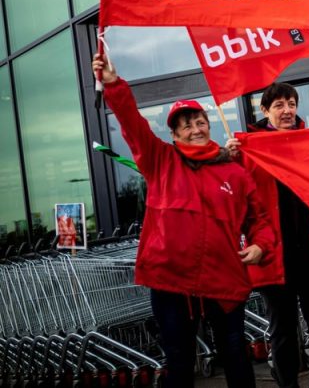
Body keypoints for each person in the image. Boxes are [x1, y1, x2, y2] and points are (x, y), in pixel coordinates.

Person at [92, 52, 274, 388]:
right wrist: (114, 85)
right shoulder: (160, 160)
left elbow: (258, 219)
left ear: (209, 124)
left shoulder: (235, 172)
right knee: (179, 358)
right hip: (171, 282)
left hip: (223, 279)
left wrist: (261, 245)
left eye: (200, 121)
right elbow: (133, 124)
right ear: (175, 134)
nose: (195, 129)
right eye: (186, 124)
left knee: (235, 351)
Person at [245, 82, 309, 388]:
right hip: (274, 253)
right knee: (283, 328)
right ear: (265, 111)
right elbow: (242, 200)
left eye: (291, 104)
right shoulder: (251, 148)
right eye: (279, 105)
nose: (287, 110)